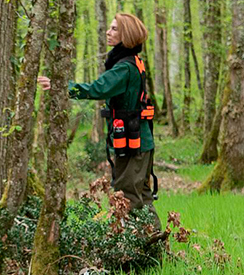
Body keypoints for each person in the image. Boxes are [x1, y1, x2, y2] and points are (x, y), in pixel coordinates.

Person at [38, 12, 160, 230]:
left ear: (127, 35)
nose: (108, 31)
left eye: (114, 29)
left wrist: (61, 86)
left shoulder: (124, 67)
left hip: (134, 144)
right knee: (142, 195)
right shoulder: (134, 62)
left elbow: (97, 88)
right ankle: (153, 246)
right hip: (140, 141)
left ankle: (136, 251)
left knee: (128, 196)